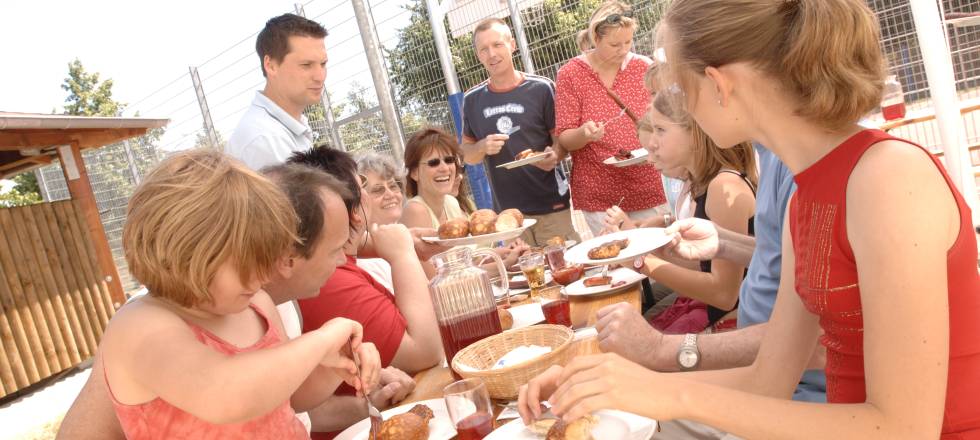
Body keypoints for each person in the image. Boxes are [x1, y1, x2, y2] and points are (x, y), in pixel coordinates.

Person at [519, 0, 980, 438]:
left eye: (681, 84)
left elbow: (902, 430)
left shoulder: (887, 178)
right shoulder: (809, 193)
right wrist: (609, 386)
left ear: (719, 84)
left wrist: (667, 388)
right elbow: (766, 383)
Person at [56, 161, 411, 439]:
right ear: (189, 252)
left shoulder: (254, 304)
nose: (264, 271)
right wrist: (320, 342)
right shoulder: (142, 326)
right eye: (248, 258)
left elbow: (291, 395)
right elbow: (225, 393)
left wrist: (335, 366)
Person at [287, 147, 443, 439]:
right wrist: (402, 255)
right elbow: (426, 352)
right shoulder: (328, 280)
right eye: (365, 192)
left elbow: (297, 404)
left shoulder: (337, 266)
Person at [460, 18, 579, 246]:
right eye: (484, 49)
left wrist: (554, 155)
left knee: (564, 268)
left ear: (512, 44)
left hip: (550, 204)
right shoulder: (472, 100)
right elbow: (466, 153)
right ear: (478, 56)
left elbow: (561, 141)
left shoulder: (541, 89)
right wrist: (482, 147)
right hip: (508, 215)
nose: (492, 54)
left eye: (497, 45)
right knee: (528, 276)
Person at [555, 0, 667, 236]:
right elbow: (565, 137)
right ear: (596, 39)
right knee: (621, 263)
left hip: (647, 184)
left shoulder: (643, 67)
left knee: (659, 255)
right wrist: (584, 134)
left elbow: (665, 118)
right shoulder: (571, 75)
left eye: (628, 42)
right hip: (599, 193)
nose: (623, 49)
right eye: (615, 44)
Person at [226, 13, 327, 170]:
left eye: (323, 63)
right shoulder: (266, 140)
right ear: (271, 65)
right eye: (306, 65)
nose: (320, 76)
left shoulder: (283, 128)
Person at [354, 151, 406, 292]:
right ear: (359, 201)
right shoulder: (367, 263)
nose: (390, 194)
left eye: (393, 186)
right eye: (378, 190)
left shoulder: (404, 239)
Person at [401, 127, 469, 230]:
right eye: (433, 163)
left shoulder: (451, 202)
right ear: (414, 173)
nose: (445, 168)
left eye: (449, 160)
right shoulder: (416, 210)